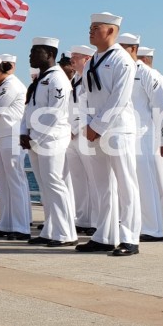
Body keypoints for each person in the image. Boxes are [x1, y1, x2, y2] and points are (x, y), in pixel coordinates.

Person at [76, 12, 141, 257]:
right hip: (94, 129)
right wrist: (86, 123)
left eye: (96, 27)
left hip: (117, 129)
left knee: (126, 184)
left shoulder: (123, 60)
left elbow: (119, 98)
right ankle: (104, 235)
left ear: (111, 31)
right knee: (102, 186)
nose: (90, 31)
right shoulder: (94, 59)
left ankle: (130, 238)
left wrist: (97, 126)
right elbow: (84, 95)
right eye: (90, 27)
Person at [20, 37, 77, 246]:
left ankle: (66, 233)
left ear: (50, 55)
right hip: (35, 139)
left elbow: (55, 113)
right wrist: (23, 132)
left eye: (35, 51)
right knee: (45, 186)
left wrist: (34, 136)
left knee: (55, 183)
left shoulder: (57, 79)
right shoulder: (39, 80)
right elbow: (28, 109)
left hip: (51, 139)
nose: (30, 55)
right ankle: (50, 229)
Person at [119, 34, 163, 241]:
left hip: (144, 136)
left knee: (147, 183)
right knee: (129, 184)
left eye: (123, 48)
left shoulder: (146, 74)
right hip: (124, 135)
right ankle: (136, 225)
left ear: (133, 49)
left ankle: (152, 229)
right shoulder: (120, 72)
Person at [0, 54, 30, 239]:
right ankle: (7, 223)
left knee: (15, 182)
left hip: (11, 135)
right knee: (3, 183)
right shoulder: (1, 87)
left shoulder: (12, 85)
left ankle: (21, 226)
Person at [137, 47, 163, 230]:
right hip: (146, 136)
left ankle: (161, 223)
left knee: (159, 182)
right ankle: (154, 221)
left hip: (155, 137)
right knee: (150, 182)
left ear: (143, 59)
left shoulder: (156, 78)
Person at [64, 45, 97, 236]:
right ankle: (83, 218)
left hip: (86, 133)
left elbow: (90, 107)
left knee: (94, 179)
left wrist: (76, 127)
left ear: (87, 59)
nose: (72, 60)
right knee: (78, 179)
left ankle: (96, 220)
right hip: (72, 136)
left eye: (76, 57)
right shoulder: (75, 79)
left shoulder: (92, 78)